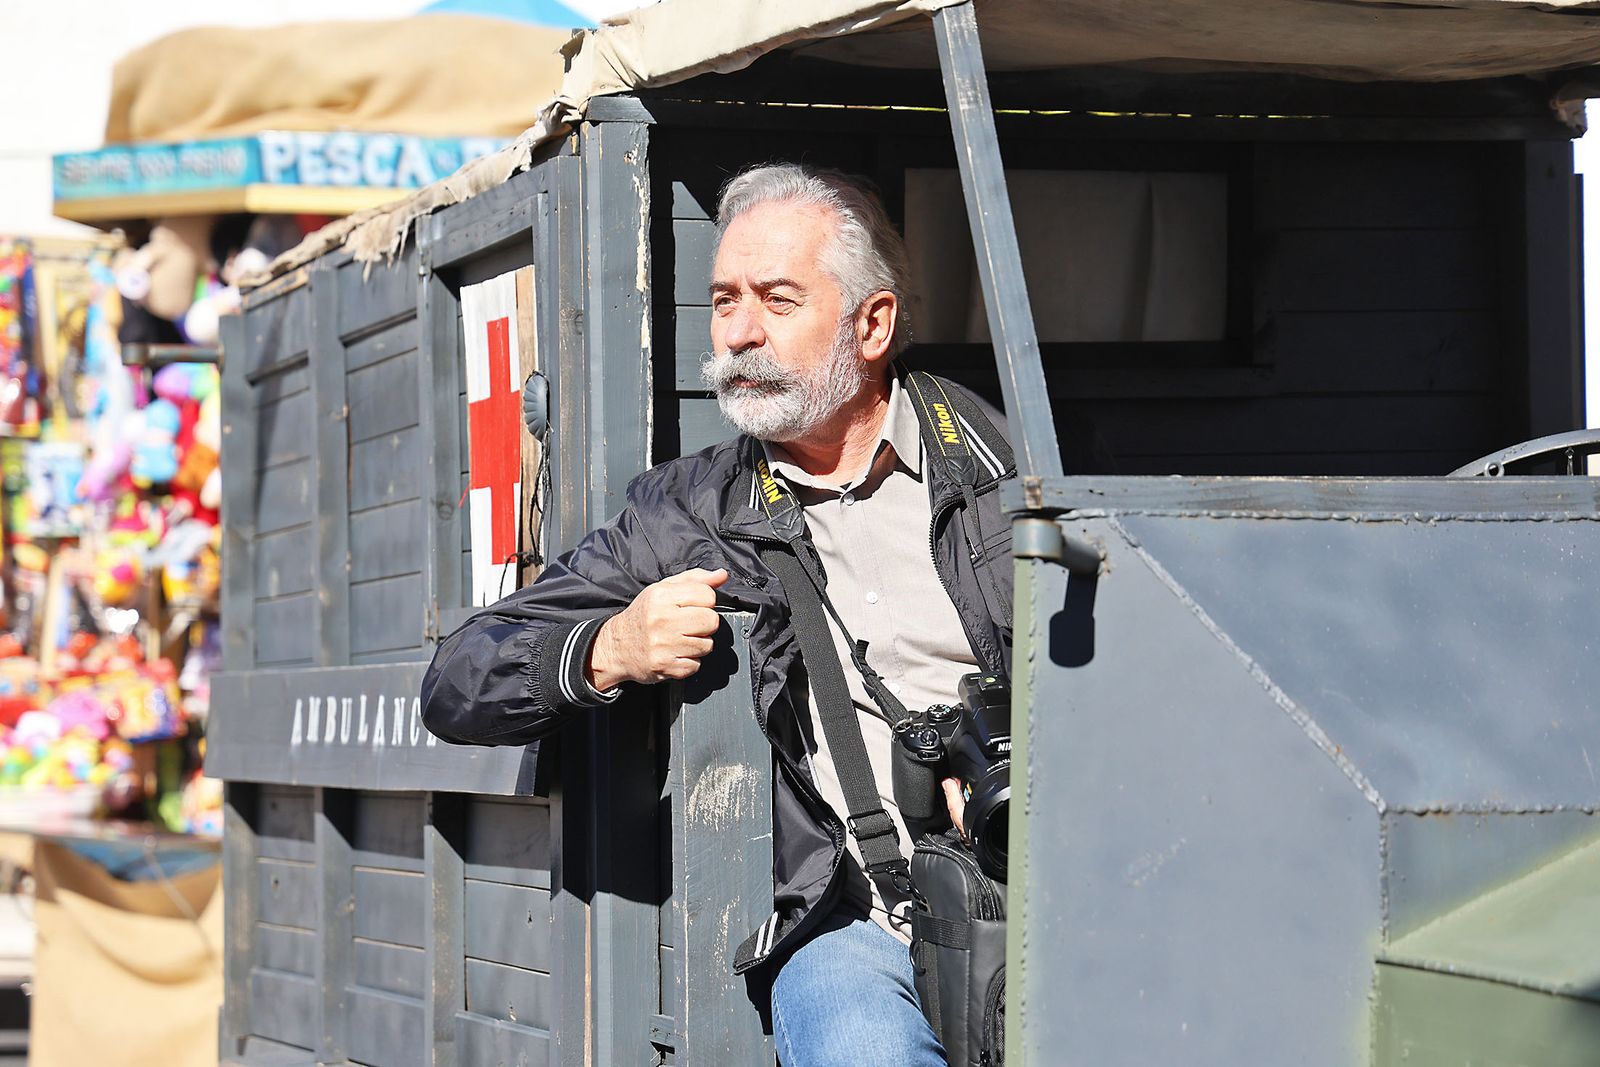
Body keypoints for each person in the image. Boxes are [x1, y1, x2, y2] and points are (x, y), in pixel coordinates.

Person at [421, 163, 1016, 1067]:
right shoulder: (692, 511)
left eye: (777, 300)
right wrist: (606, 648)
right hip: (851, 915)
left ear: (874, 324)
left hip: (1043, 881)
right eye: (723, 298)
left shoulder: (1006, 466)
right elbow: (455, 680)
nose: (738, 332)